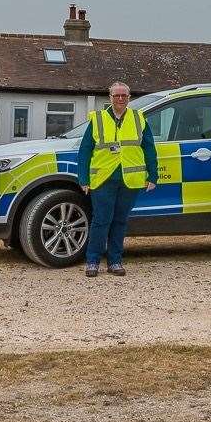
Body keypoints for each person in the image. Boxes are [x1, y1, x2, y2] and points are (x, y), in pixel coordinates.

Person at [77, 81, 157, 276]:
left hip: (130, 179)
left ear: (129, 98)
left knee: (120, 221)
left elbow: (149, 148)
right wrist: (83, 178)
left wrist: (153, 175)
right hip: (103, 178)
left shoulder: (139, 118)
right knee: (101, 220)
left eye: (124, 96)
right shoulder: (97, 119)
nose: (120, 99)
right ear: (110, 97)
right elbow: (85, 150)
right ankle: (93, 261)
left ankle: (115, 261)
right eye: (116, 95)